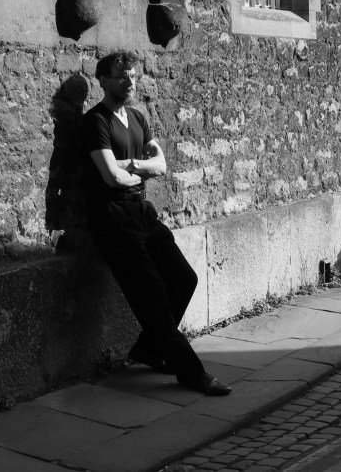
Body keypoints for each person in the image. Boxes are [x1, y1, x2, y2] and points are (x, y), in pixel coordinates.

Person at [82, 50, 231, 396]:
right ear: (103, 80)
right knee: (152, 299)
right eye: (122, 76)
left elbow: (161, 166)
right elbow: (110, 179)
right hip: (114, 219)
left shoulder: (138, 117)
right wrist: (136, 169)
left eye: (133, 75)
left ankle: (149, 350)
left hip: (143, 212)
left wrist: (129, 165)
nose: (130, 81)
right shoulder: (96, 122)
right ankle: (191, 373)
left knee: (184, 278)